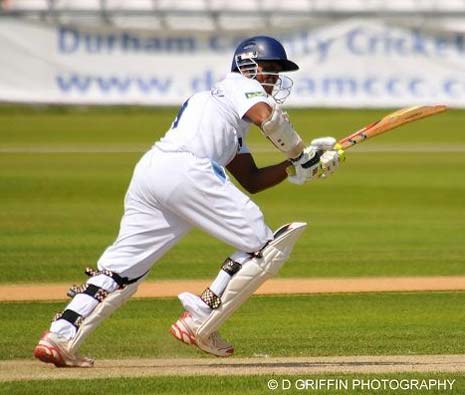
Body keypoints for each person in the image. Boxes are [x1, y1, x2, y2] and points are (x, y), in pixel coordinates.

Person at [33, 35, 343, 367]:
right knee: (264, 245)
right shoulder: (238, 85)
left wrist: (293, 167)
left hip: (153, 173)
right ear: (248, 66)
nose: (274, 79)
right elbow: (269, 118)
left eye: (278, 73)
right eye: (269, 70)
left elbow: (251, 180)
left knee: (122, 269)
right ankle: (200, 320)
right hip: (187, 169)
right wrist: (301, 154)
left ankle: (60, 336)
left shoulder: (220, 112)